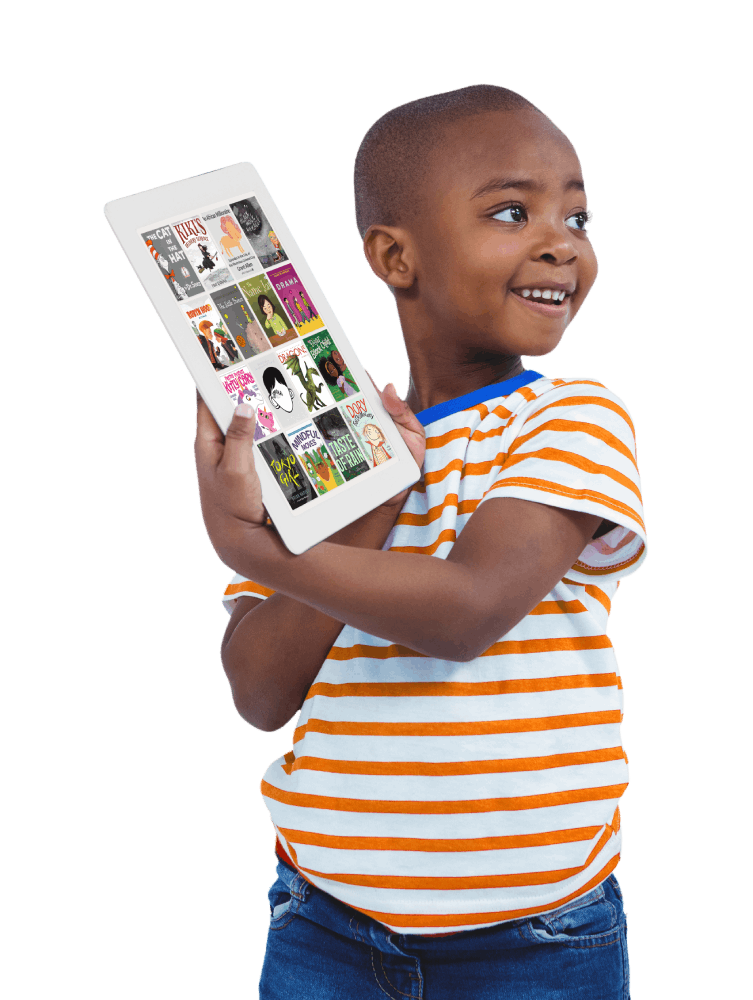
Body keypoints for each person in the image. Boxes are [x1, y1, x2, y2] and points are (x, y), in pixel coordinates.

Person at [213, 84, 646, 998]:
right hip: (324, 923)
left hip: (540, 938)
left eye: (577, 213)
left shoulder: (574, 417)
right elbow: (259, 693)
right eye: (508, 210)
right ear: (393, 256)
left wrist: (257, 551)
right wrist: (374, 495)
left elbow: (467, 614)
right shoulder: (326, 455)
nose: (561, 241)